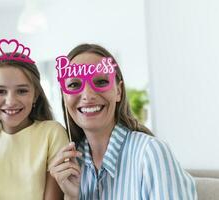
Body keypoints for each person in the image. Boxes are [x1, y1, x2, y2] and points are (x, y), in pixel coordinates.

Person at [49, 44, 197, 200]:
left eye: (100, 82)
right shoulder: (70, 167)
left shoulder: (150, 154)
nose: (87, 95)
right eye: (74, 85)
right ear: (64, 97)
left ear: (118, 91)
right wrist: (72, 197)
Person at [0, 39, 68, 200]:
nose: (11, 101)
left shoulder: (52, 133)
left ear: (36, 95)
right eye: (0, 91)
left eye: (21, 91)